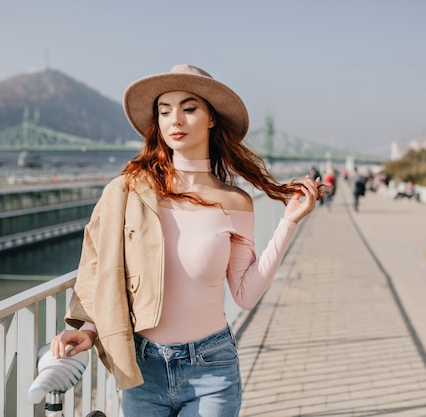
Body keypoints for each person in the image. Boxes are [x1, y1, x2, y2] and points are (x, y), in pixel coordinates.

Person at [51, 64, 319, 417]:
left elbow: (244, 292)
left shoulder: (234, 201)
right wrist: (88, 329)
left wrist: (287, 224)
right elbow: (103, 268)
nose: (175, 119)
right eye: (165, 111)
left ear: (211, 118)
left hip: (212, 368)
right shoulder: (130, 191)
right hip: (142, 370)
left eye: (189, 108)